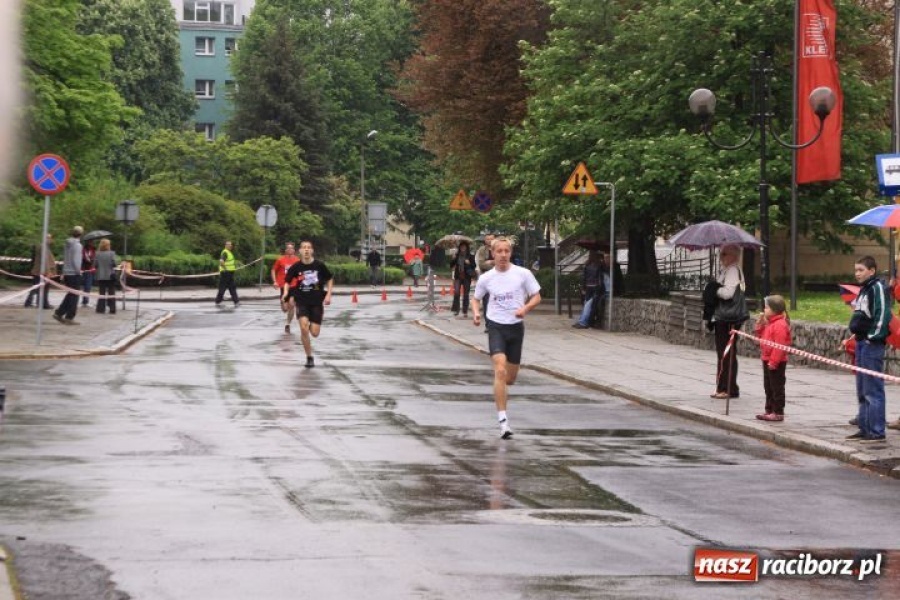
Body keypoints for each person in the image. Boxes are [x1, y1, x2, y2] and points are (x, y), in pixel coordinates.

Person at [472, 237, 542, 439]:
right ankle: (503, 421)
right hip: (495, 326)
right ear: (493, 254)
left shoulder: (523, 274)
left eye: (506, 251)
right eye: (499, 251)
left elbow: (537, 296)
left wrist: (525, 308)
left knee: (509, 378)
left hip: (516, 328)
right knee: (500, 370)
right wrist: (476, 313)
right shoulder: (487, 278)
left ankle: (502, 389)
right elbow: (475, 299)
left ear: (510, 253)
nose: (503, 255)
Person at [843, 256, 890, 442]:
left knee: (873, 389)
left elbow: (882, 314)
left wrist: (872, 337)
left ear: (872, 270)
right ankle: (864, 427)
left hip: (871, 344)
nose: (857, 274)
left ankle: (876, 431)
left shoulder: (877, 288)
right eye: (856, 270)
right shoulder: (864, 290)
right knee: (862, 389)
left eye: (861, 270)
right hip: (861, 342)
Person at [283, 240, 334, 368]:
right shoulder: (296, 267)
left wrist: (328, 294)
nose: (306, 250)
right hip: (302, 301)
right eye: (304, 248)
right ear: (300, 251)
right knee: (304, 328)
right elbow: (287, 281)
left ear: (312, 251)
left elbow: (329, 279)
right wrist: (286, 293)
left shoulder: (319, 265)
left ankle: (311, 323)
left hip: (316, 302)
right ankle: (309, 357)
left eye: (309, 248)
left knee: (315, 333)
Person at [710, 244, 747, 399]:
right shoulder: (727, 270)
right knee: (723, 353)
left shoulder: (732, 270)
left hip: (728, 317)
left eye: (724, 254)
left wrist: (714, 290)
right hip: (724, 316)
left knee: (726, 352)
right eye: (721, 253)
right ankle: (723, 386)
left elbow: (728, 293)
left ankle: (728, 388)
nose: (721, 257)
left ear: (733, 256)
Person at [754, 295, 791, 422]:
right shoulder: (769, 323)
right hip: (766, 358)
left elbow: (780, 346)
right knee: (768, 387)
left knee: (776, 387)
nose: (764, 309)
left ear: (774, 310)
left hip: (776, 362)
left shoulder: (779, 325)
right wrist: (760, 323)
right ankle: (769, 409)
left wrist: (774, 362)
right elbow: (761, 335)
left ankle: (778, 411)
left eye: (767, 307)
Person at [53, 225, 84, 325]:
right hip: (74, 273)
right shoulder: (78, 246)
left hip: (66, 272)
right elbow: (76, 260)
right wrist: (79, 271)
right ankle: (69, 317)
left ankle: (59, 312)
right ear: (81, 234)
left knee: (70, 294)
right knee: (74, 295)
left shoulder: (67, 244)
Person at [271, 242, 300, 333]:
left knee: (291, 304)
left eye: (291, 248)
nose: (290, 250)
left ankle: (288, 324)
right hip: (283, 285)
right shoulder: (280, 260)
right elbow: (273, 270)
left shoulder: (297, 260)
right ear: (286, 250)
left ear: (294, 250)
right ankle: (284, 303)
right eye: (288, 248)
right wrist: (275, 281)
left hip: (294, 285)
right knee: (284, 309)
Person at [573, 251, 604, 329]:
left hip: (588, 287)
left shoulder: (587, 265)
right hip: (596, 287)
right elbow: (600, 278)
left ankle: (581, 321)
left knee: (586, 304)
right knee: (589, 305)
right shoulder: (599, 265)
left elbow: (584, 277)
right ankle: (583, 322)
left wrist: (583, 288)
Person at [24, 233, 55, 309]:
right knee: (42, 288)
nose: (51, 240)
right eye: (49, 238)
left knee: (37, 288)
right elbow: (45, 260)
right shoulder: (43, 247)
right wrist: (48, 271)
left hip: (39, 271)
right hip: (41, 271)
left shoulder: (43, 247)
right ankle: (43, 304)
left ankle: (36, 303)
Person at [450, 241, 477, 317]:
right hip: (458, 276)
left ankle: (465, 311)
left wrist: (469, 263)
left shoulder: (470, 256)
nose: (463, 248)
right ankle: (456, 310)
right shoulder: (457, 255)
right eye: (461, 247)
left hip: (466, 277)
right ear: (459, 248)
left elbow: (474, 265)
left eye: (464, 247)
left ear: (466, 248)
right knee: (456, 292)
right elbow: (451, 265)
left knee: (466, 294)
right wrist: (453, 259)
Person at [475, 233, 496, 330]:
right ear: (485, 240)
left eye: (491, 239)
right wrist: (493, 263)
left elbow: (502, 262)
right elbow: (481, 264)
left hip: (498, 278)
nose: (490, 241)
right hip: (486, 278)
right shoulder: (482, 250)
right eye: (488, 239)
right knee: (486, 301)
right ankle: (488, 325)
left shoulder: (498, 248)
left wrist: (490, 262)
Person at [93, 238, 117, 314]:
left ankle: (100, 309)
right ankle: (112, 309)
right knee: (111, 292)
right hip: (110, 275)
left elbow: (95, 265)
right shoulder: (112, 253)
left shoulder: (97, 254)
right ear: (108, 245)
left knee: (101, 293)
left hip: (101, 276)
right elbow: (114, 264)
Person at [215, 240, 239, 307]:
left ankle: (236, 301)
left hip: (230, 273)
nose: (230, 246)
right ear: (225, 245)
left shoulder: (229, 252)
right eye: (228, 245)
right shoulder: (225, 252)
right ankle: (218, 300)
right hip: (225, 273)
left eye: (231, 245)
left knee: (232, 287)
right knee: (222, 287)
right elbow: (221, 261)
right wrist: (225, 269)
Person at [80, 239, 96, 306]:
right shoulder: (83, 250)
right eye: (90, 242)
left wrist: (93, 261)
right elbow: (82, 258)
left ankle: (85, 300)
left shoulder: (93, 250)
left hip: (90, 270)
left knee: (88, 286)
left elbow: (94, 259)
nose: (91, 243)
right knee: (85, 285)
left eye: (92, 242)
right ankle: (84, 300)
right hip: (83, 269)